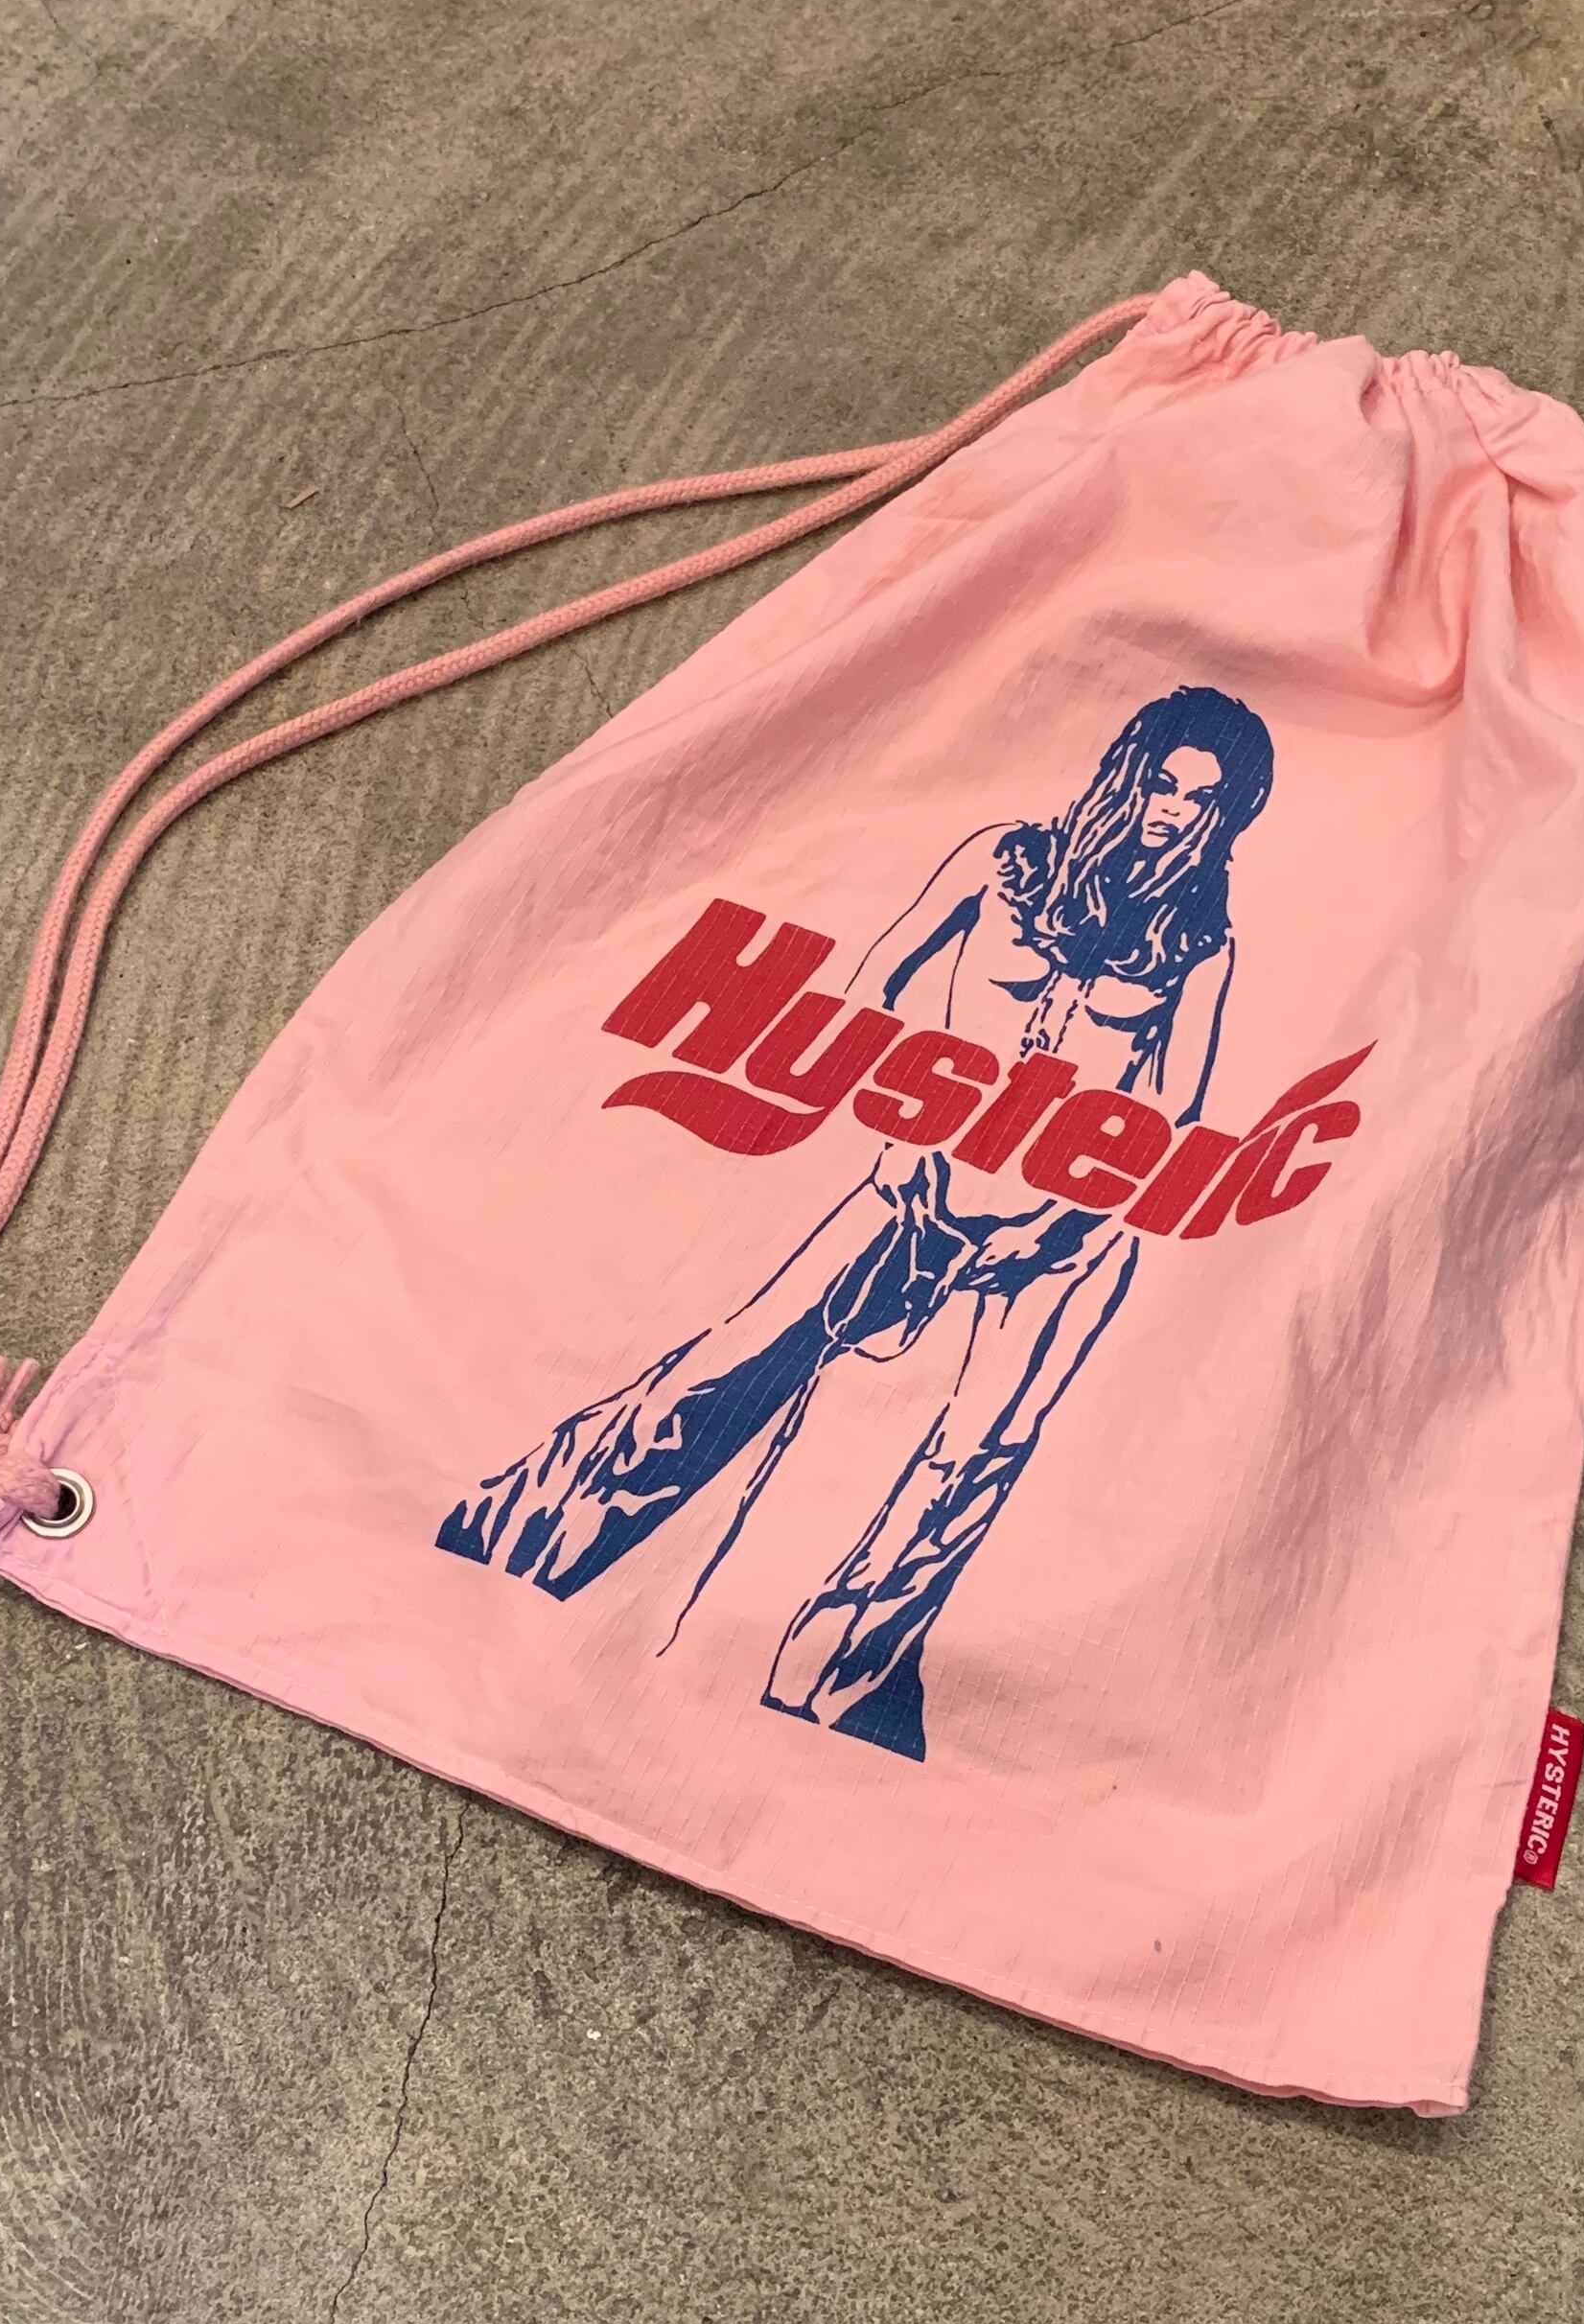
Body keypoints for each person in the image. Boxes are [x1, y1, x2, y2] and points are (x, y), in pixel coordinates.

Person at [439, 686, 1276, 1759]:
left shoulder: (1198, 942)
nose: (1173, 812)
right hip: (914, 1178)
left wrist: (1060, 1224)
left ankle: (840, 1693)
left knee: (974, 1455)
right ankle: (533, 1536)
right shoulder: (1003, 862)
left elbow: (1173, 1114)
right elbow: (880, 979)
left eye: (1203, 802)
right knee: (737, 1361)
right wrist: (900, 1121)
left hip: (1063, 1242)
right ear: (1125, 774)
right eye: (1162, 784)